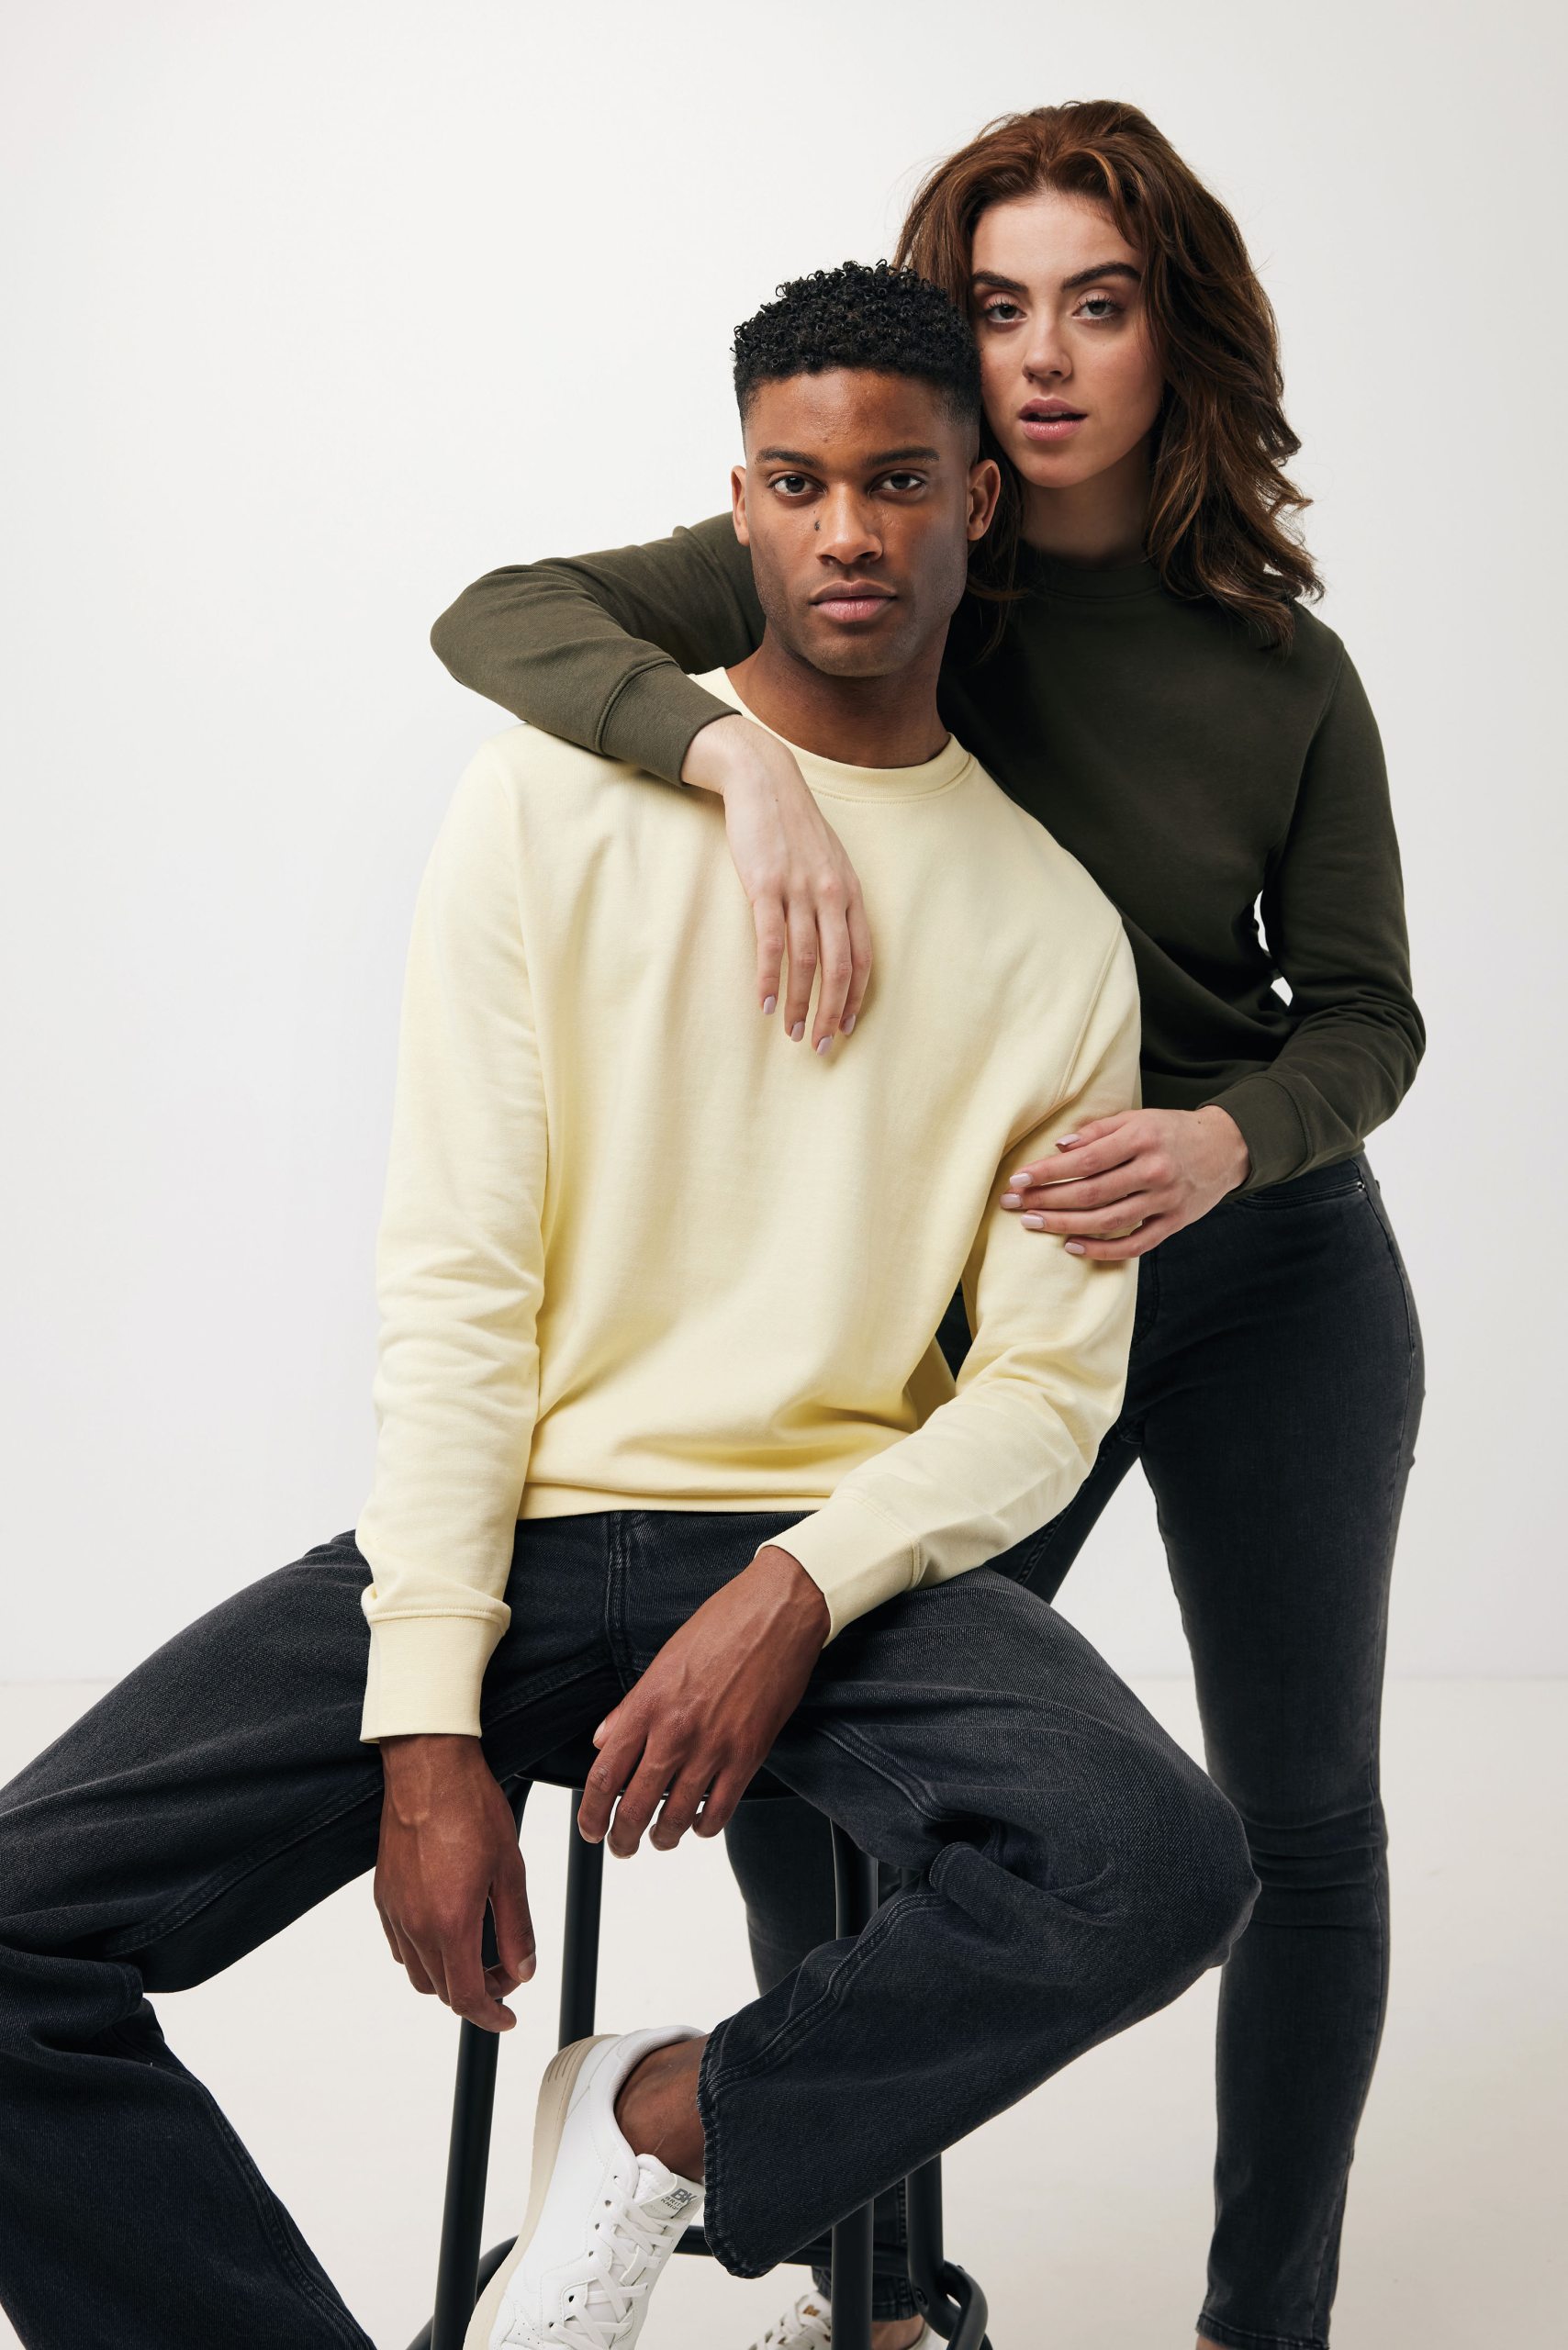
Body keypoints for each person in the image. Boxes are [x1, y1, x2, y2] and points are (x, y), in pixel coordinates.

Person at [0, 263, 1259, 2350]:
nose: (847, 531)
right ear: (738, 502)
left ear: (975, 504)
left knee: (1156, 1859)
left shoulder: (1050, 931)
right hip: (514, 1529)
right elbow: (462, 1274)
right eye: (797, 481)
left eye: (898, 482)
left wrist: (796, 1587)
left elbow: (1044, 1391)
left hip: (827, 1559)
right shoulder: (553, 802)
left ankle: (662, 2126)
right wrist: (426, 1713)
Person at [427, 101, 1425, 2350]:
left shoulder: (1279, 667)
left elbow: (1366, 1014)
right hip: (975, 1293)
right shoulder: (883, 541)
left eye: (1098, 304)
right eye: (997, 306)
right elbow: (498, 617)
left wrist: (1225, 1142)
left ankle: (1261, 2323)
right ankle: (869, 2294)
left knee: (1298, 1828)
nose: (1044, 356)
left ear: (1174, 334)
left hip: (1263, 1275)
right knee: (831, 1783)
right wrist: (733, 760)